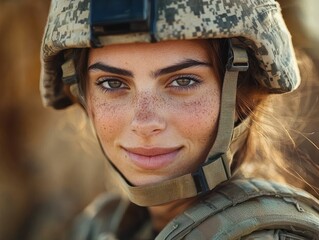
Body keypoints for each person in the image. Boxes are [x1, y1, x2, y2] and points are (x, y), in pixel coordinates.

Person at [39, 0, 319, 239]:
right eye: (112, 83)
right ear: (81, 92)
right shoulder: (102, 225)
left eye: (183, 81)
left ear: (240, 95)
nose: (144, 122)